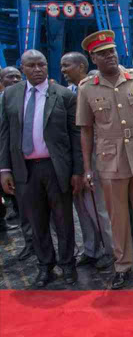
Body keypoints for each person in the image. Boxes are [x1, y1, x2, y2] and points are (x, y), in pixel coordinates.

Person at [77, 30, 133, 289]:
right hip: (109, 159)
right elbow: (85, 129)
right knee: (117, 217)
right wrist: (87, 168)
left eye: (112, 52)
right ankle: (123, 265)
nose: (110, 57)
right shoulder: (87, 88)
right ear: (93, 59)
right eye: (103, 54)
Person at [0, 50, 83, 286]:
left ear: (47, 67)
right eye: (31, 65)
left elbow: (75, 137)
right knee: (36, 221)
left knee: (64, 220)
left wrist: (77, 171)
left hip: (56, 168)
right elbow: (4, 135)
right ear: (22, 68)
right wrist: (4, 169)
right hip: (25, 170)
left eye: (42, 65)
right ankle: (45, 265)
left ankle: (68, 265)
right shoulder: (10, 96)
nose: (37, 69)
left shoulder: (64, 95)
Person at [61, 52, 114, 270]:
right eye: (61, 66)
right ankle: (92, 250)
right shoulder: (70, 92)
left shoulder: (94, 84)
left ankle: (111, 251)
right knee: (82, 208)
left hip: (94, 156)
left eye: (67, 66)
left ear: (81, 66)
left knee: (100, 207)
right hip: (75, 158)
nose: (63, 70)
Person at [0, 67, 24, 234]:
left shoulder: (25, 99)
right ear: (1, 81)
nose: (15, 80)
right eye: (11, 77)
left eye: (18, 76)